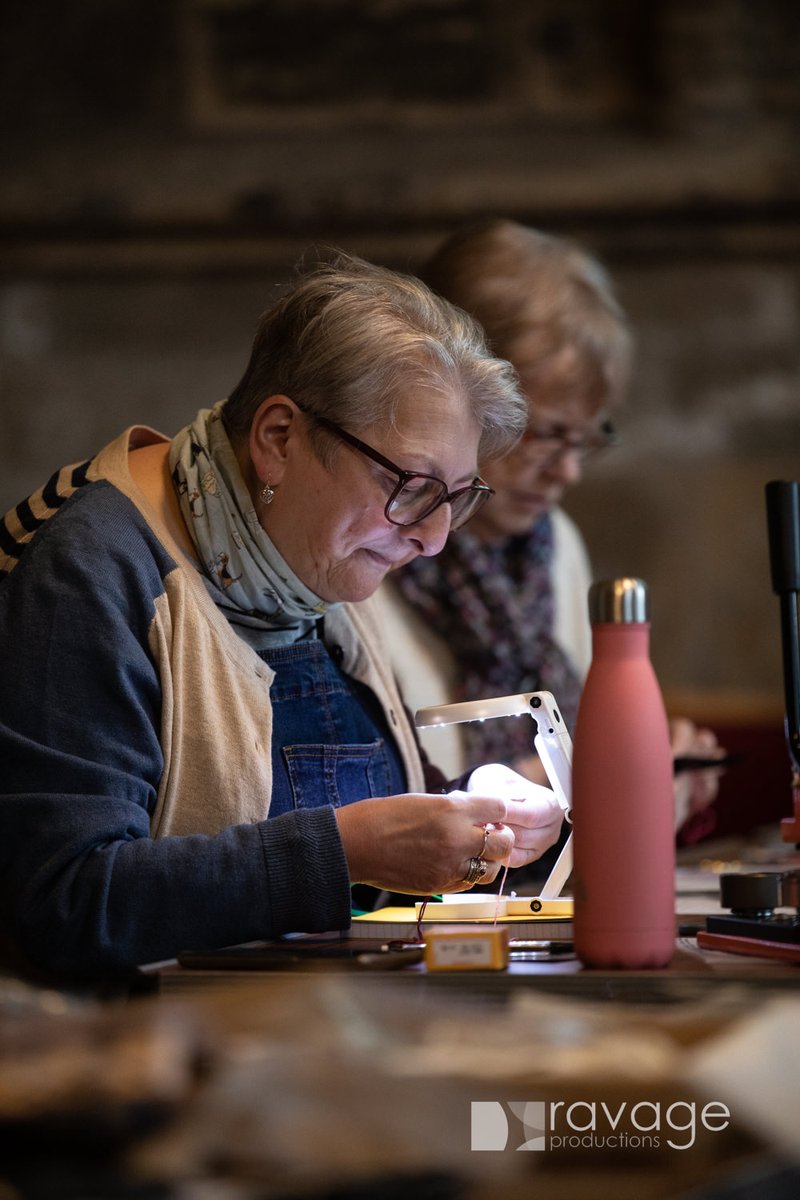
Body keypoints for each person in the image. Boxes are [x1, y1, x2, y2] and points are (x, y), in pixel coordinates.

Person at [0, 251, 565, 982]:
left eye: (457, 497)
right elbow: (67, 906)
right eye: (414, 487)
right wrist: (346, 850)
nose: (432, 537)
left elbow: (369, 806)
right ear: (277, 440)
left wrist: (472, 812)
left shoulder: (310, 561)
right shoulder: (89, 571)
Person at [378, 219, 722, 837]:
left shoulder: (552, 542)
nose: (568, 471)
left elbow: (587, 764)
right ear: (453, 397)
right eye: (546, 433)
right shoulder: (369, 541)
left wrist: (650, 778)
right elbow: (364, 823)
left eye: (586, 438)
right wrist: (551, 784)